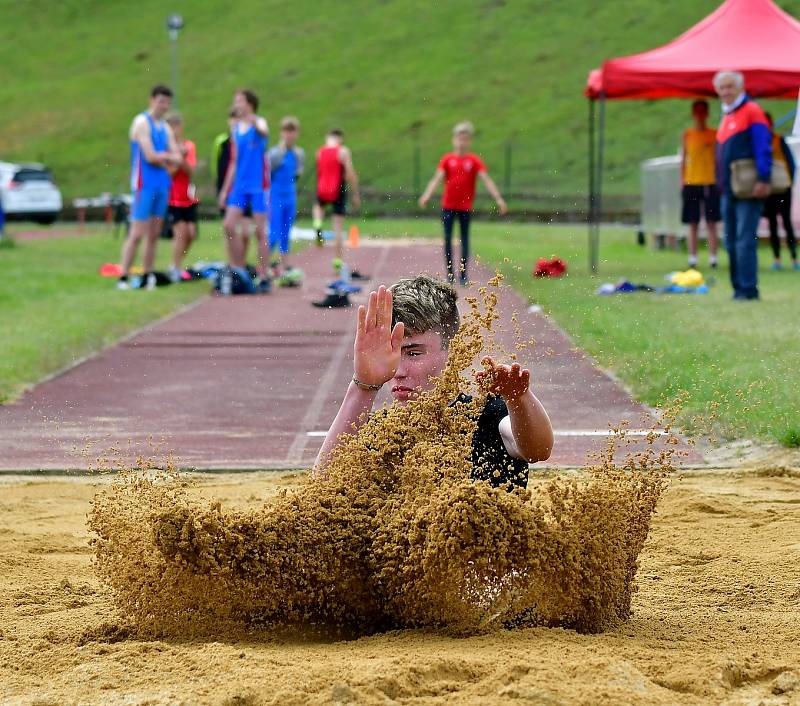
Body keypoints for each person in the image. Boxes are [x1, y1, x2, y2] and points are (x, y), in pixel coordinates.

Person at [315, 275, 553, 487]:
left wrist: (519, 398)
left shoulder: (490, 414)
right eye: (391, 354)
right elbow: (324, 485)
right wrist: (363, 385)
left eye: (414, 353)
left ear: (454, 350)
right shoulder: (382, 432)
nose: (397, 370)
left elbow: (537, 450)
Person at [418, 121, 508, 286]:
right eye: (459, 138)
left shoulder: (473, 161)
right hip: (448, 207)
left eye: (465, 139)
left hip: (465, 208)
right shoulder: (447, 160)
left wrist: (498, 199)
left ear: (469, 142)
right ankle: (450, 274)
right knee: (447, 239)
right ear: (454, 140)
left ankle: (464, 274)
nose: (462, 142)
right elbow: (437, 179)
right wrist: (427, 195)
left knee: (465, 240)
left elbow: (486, 180)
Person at [714, 70, 772, 301]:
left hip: (748, 189)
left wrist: (763, 178)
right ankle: (738, 287)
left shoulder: (752, 111)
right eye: (722, 88)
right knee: (730, 240)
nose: (726, 91)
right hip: (728, 190)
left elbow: (763, 146)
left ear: (740, 88)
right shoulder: (727, 114)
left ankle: (749, 289)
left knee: (745, 239)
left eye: (730, 87)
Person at [118, 85, 181, 290]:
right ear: (152, 100)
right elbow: (150, 156)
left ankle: (147, 275)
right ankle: (124, 276)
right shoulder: (141, 122)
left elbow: (178, 158)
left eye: (167, 102)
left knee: (154, 234)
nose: (164, 105)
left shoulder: (165, 128)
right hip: (144, 184)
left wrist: (166, 157)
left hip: (162, 184)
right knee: (137, 233)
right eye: (161, 100)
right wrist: (167, 157)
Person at [217, 89, 271, 292]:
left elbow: (264, 131)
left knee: (260, 231)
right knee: (229, 225)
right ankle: (239, 268)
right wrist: (224, 190)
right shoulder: (236, 128)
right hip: (239, 186)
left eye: (239, 100)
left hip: (258, 186)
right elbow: (234, 161)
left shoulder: (259, 123)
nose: (236, 103)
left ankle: (264, 275)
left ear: (249, 103)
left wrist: (251, 118)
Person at [312, 128, 361, 273]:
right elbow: (350, 173)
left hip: (322, 188)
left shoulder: (319, 152)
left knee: (318, 207)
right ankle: (338, 262)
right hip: (337, 190)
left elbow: (319, 173)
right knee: (338, 228)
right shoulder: (343, 151)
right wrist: (355, 193)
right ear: (340, 139)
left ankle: (318, 223)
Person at [681, 100, 720, 269]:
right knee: (693, 222)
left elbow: (718, 158)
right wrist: (681, 181)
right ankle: (693, 258)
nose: (700, 115)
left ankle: (713, 257)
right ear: (693, 114)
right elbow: (683, 159)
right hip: (692, 182)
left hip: (710, 182)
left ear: (707, 113)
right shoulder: (687, 134)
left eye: (702, 111)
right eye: (697, 111)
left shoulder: (714, 134)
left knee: (712, 222)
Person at [268, 116, 305, 281]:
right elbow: (267, 175)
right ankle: (265, 263)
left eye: (292, 131)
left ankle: (286, 265)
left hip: (290, 197)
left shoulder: (299, 154)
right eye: (286, 131)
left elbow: (297, 174)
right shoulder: (275, 153)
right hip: (275, 197)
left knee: (286, 232)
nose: (289, 135)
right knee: (274, 232)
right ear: (281, 133)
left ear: (296, 133)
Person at [165, 113, 199, 282]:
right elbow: (169, 173)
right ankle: (175, 267)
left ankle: (177, 264)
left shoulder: (188, 146)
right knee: (181, 233)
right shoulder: (166, 150)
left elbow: (191, 171)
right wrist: (177, 158)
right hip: (172, 196)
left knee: (191, 234)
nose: (173, 131)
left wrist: (183, 158)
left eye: (175, 127)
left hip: (187, 196)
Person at [763, 112, 798, 270]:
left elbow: (791, 163)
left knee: (786, 222)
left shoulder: (779, 140)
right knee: (772, 224)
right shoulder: (760, 142)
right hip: (769, 190)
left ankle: (793, 258)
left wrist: (788, 182)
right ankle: (777, 258)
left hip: (783, 188)